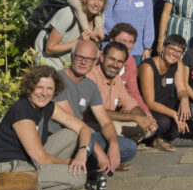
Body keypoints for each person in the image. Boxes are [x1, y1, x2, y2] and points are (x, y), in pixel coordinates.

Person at [0, 65, 107, 190]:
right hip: (5, 175)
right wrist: (69, 163)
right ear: (30, 87)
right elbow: (41, 159)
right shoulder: (22, 111)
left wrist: (82, 152)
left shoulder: (47, 107)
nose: (44, 93)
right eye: (39, 87)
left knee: (71, 135)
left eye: (49, 88)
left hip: (27, 163)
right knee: (78, 177)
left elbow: (83, 128)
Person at [51, 40, 137, 170]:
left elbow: (105, 122)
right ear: (72, 57)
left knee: (128, 147)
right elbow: (73, 123)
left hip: (82, 133)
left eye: (89, 59)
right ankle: (87, 165)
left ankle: (90, 165)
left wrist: (113, 144)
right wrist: (99, 151)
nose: (84, 62)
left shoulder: (90, 85)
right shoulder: (58, 80)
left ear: (95, 61)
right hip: (63, 136)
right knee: (89, 147)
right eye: (80, 57)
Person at [87, 41, 157, 144]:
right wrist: (135, 118)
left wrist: (144, 119)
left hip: (108, 122)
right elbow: (97, 112)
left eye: (120, 61)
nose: (115, 65)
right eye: (112, 59)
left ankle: (118, 145)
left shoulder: (116, 79)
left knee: (150, 128)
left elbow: (131, 105)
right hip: (91, 124)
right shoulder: (91, 76)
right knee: (126, 129)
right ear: (102, 57)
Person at [34, 0, 107, 69]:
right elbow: (49, 48)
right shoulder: (68, 14)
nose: (96, 4)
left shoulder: (99, 20)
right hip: (48, 60)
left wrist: (97, 39)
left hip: (68, 64)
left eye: (100, 0)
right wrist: (79, 41)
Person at [139, 33, 189, 151]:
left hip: (164, 104)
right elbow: (149, 102)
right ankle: (154, 139)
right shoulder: (148, 67)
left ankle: (158, 138)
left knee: (186, 114)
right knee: (165, 122)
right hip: (146, 108)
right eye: (171, 49)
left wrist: (185, 99)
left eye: (178, 52)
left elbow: (182, 89)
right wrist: (174, 114)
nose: (174, 54)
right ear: (162, 48)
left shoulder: (178, 64)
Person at [103, 0, 154, 64]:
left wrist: (148, 48)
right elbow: (105, 17)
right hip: (115, 48)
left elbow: (149, 22)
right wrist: (120, 35)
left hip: (137, 51)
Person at [107, 23, 150, 114]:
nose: (127, 45)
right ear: (111, 40)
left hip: (122, 107)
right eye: (123, 41)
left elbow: (133, 92)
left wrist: (147, 114)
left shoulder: (130, 61)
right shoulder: (100, 59)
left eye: (130, 42)